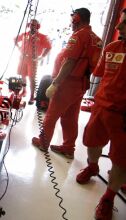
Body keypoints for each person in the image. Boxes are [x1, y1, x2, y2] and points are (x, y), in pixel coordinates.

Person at [75, 8, 126, 220]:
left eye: (125, 23)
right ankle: (93, 167)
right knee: (91, 142)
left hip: (124, 115)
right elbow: (100, 73)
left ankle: (108, 197)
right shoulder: (113, 47)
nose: (118, 26)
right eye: (120, 21)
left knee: (121, 159)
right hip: (101, 107)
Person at [31, 8, 102, 159]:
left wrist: (55, 83)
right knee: (70, 117)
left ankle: (43, 142)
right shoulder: (96, 39)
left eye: (73, 20)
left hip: (67, 83)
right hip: (81, 84)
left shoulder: (79, 36)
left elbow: (69, 62)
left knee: (52, 114)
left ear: (77, 19)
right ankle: (68, 147)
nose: (71, 24)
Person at [15, 19, 52, 104]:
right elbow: (15, 39)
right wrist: (19, 48)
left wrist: (42, 57)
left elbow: (49, 47)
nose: (32, 26)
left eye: (34, 25)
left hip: (33, 60)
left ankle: (32, 96)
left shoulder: (42, 37)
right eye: (31, 25)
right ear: (29, 25)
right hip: (23, 58)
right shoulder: (24, 34)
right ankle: (24, 91)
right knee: (22, 76)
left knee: (32, 78)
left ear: (38, 26)